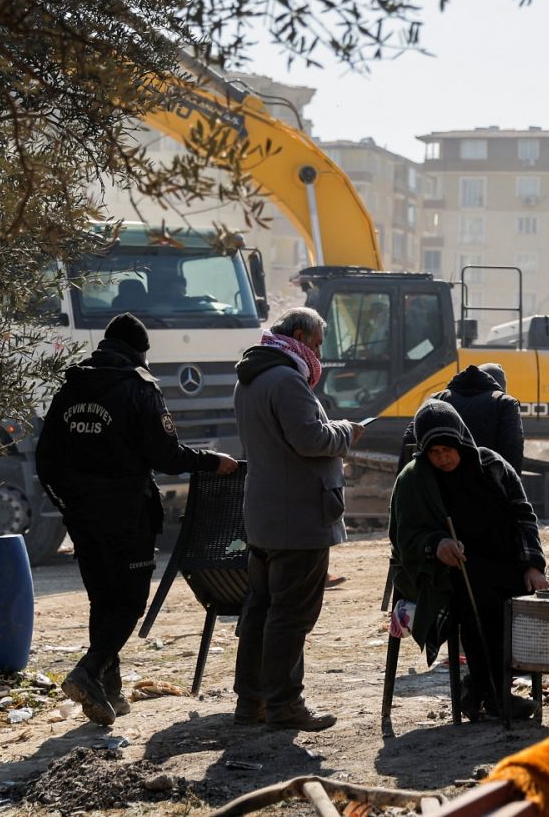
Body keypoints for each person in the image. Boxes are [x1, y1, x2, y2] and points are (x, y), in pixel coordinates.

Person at [36, 312, 239, 727]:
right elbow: (166, 456)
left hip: (82, 515)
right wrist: (211, 461)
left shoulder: (71, 387)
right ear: (140, 352)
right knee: (128, 602)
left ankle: (108, 690)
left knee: (103, 599)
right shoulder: (139, 388)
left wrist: (65, 503)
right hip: (127, 513)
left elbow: (45, 459)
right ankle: (89, 672)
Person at [232, 307, 365, 731]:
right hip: (299, 519)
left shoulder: (251, 377)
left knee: (261, 610)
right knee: (291, 615)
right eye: (319, 345)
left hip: (266, 515)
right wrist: (346, 431)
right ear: (303, 336)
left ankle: (251, 702)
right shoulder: (287, 379)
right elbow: (311, 440)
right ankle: (284, 706)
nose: (319, 355)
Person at [390, 400, 549, 720]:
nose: (443, 458)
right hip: (448, 572)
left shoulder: (492, 467)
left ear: (462, 441)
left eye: (449, 449)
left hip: (505, 562)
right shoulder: (414, 479)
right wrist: (436, 543)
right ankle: (494, 693)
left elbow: (523, 516)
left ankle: (479, 687)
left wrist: (532, 564)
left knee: (518, 602)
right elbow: (403, 535)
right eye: (434, 452)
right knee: (479, 598)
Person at [398, 363, 524, 473]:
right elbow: (513, 449)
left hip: (438, 488)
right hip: (483, 490)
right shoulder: (504, 403)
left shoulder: (436, 399)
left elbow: (410, 440)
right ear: (499, 385)